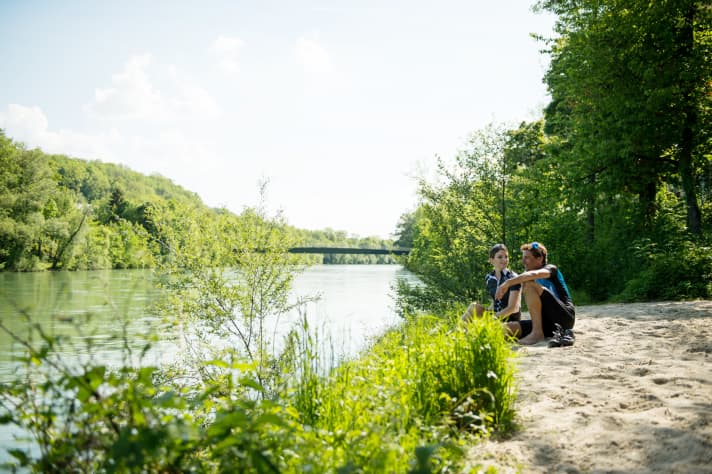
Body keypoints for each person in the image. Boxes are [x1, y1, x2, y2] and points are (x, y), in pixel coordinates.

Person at [495, 241, 575, 345]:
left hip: (564, 318)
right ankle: (537, 331)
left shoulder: (551, 269)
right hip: (545, 324)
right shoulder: (525, 275)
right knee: (502, 329)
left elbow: (533, 274)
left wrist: (507, 283)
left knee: (528, 283)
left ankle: (537, 334)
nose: (523, 261)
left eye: (527, 257)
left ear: (539, 259)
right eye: (523, 257)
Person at [461, 243, 522, 323]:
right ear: (491, 260)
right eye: (500, 257)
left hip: (510, 319)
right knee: (474, 307)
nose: (504, 260)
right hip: (495, 315)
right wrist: (485, 313)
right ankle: (456, 332)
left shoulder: (513, 278)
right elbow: (495, 301)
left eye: (506, 257)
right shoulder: (489, 278)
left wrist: (492, 318)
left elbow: (513, 308)